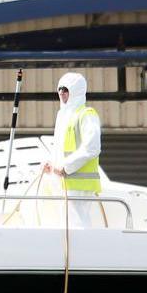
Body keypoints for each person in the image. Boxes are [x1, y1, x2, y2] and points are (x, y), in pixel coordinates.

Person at [44, 72, 102, 228]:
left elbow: (92, 147)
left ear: (76, 91)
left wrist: (66, 167)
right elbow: (60, 147)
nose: (61, 92)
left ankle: (80, 252)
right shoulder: (63, 116)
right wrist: (51, 164)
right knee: (66, 228)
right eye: (60, 89)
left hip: (78, 185)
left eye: (66, 89)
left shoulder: (86, 115)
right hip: (63, 183)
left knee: (77, 227)